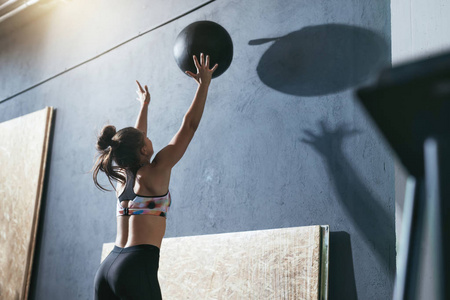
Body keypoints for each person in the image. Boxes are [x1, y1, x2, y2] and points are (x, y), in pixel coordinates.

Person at [92, 53, 218, 300]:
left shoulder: (122, 178)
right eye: (147, 139)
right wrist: (204, 85)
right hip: (135, 267)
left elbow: (134, 137)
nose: (149, 138)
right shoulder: (156, 170)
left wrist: (144, 105)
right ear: (143, 150)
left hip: (108, 268)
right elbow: (189, 126)